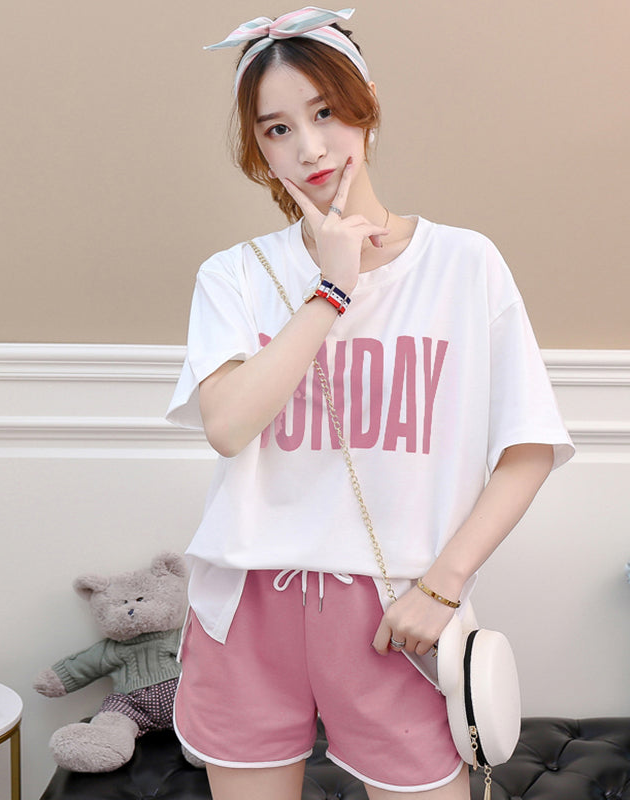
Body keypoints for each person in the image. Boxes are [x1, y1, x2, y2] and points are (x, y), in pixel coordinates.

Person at [166, 7, 574, 799]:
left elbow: (527, 449)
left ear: (368, 104)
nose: (310, 148)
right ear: (258, 147)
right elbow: (228, 426)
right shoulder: (236, 275)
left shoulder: (464, 264)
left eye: (325, 112)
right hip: (248, 602)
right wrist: (332, 287)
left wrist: (443, 585)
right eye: (278, 128)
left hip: (396, 612)